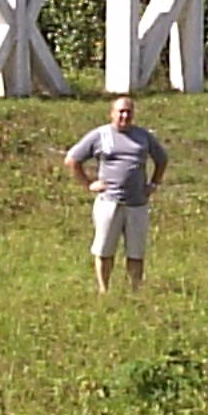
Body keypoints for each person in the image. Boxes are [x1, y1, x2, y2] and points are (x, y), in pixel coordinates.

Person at [65, 96, 168, 294]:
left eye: (129, 112)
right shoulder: (100, 135)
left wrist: (154, 184)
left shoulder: (143, 136)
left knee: (136, 252)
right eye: (121, 112)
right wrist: (89, 184)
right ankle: (104, 290)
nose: (125, 116)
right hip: (109, 202)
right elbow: (72, 160)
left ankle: (135, 290)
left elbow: (161, 159)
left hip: (137, 204)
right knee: (104, 250)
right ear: (112, 114)